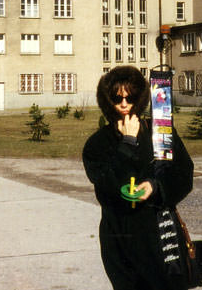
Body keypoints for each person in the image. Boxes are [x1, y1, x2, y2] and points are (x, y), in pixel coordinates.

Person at [83, 66, 194, 290]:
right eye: (117, 98)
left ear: (140, 97)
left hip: (159, 232)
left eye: (130, 97)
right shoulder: (98, 143)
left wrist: (156, 187)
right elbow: (105, 186)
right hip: (120, 235)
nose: (124, 104)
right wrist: (127, 144)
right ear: (107, 100)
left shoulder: (160, 132)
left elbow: (183, 175)